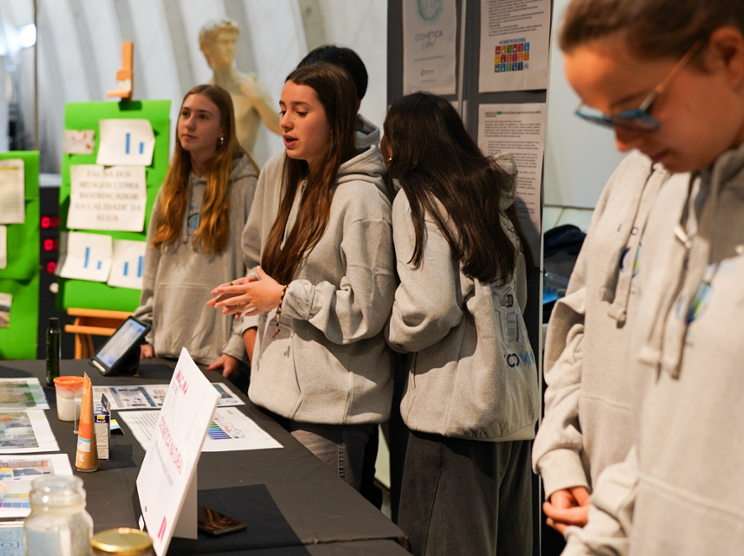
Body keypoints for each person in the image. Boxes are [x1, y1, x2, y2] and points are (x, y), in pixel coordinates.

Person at [557, 0, 744, 555]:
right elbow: (663, 438)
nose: (622, 143)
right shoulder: (678, 198)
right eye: (604, 118)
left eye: (636, 110)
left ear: (729, 57)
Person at [209, 62, 396, 492]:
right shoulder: (299, 183)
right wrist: (253, 296)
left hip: (329, 413)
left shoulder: (362, 199)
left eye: (301, 111)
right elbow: (274, 272)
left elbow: (366, 309)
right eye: (282, 109)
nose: (285, 122)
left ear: (336, 119)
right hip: (276, 396)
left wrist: (282, 297)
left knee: (323, 524)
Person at [381, 92, 539, 556]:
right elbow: (517, 298)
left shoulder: (417, 198)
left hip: (453, 412)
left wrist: (392, 334)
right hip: (512, 403)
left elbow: (430, 307)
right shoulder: (489, 197)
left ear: (400, 143)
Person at [531, 150, 667, 536]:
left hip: (668, 519)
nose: (621, 138)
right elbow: (579, 323)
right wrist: (559, 457)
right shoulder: (629, 172)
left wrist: (620, 506)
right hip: (592, 501)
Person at [133, 84, 258, 378]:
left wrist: (236, 346)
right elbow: (152, 267)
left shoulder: (245, 186)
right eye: (185, 114)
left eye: (203, 116)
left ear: (223, 129)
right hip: (164, 348)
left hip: (217, 355)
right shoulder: (171, 187)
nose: (189, 124)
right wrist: (144, 330)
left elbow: (255, 272)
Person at [199, 20, 280, 157]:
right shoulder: (204, 95)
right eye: (224, 42)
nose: (230, 48)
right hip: (213, 169)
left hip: (245, 167)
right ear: (206, 48)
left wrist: (258, 99)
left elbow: (282, 128)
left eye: (233, 42)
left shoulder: (250, 85)